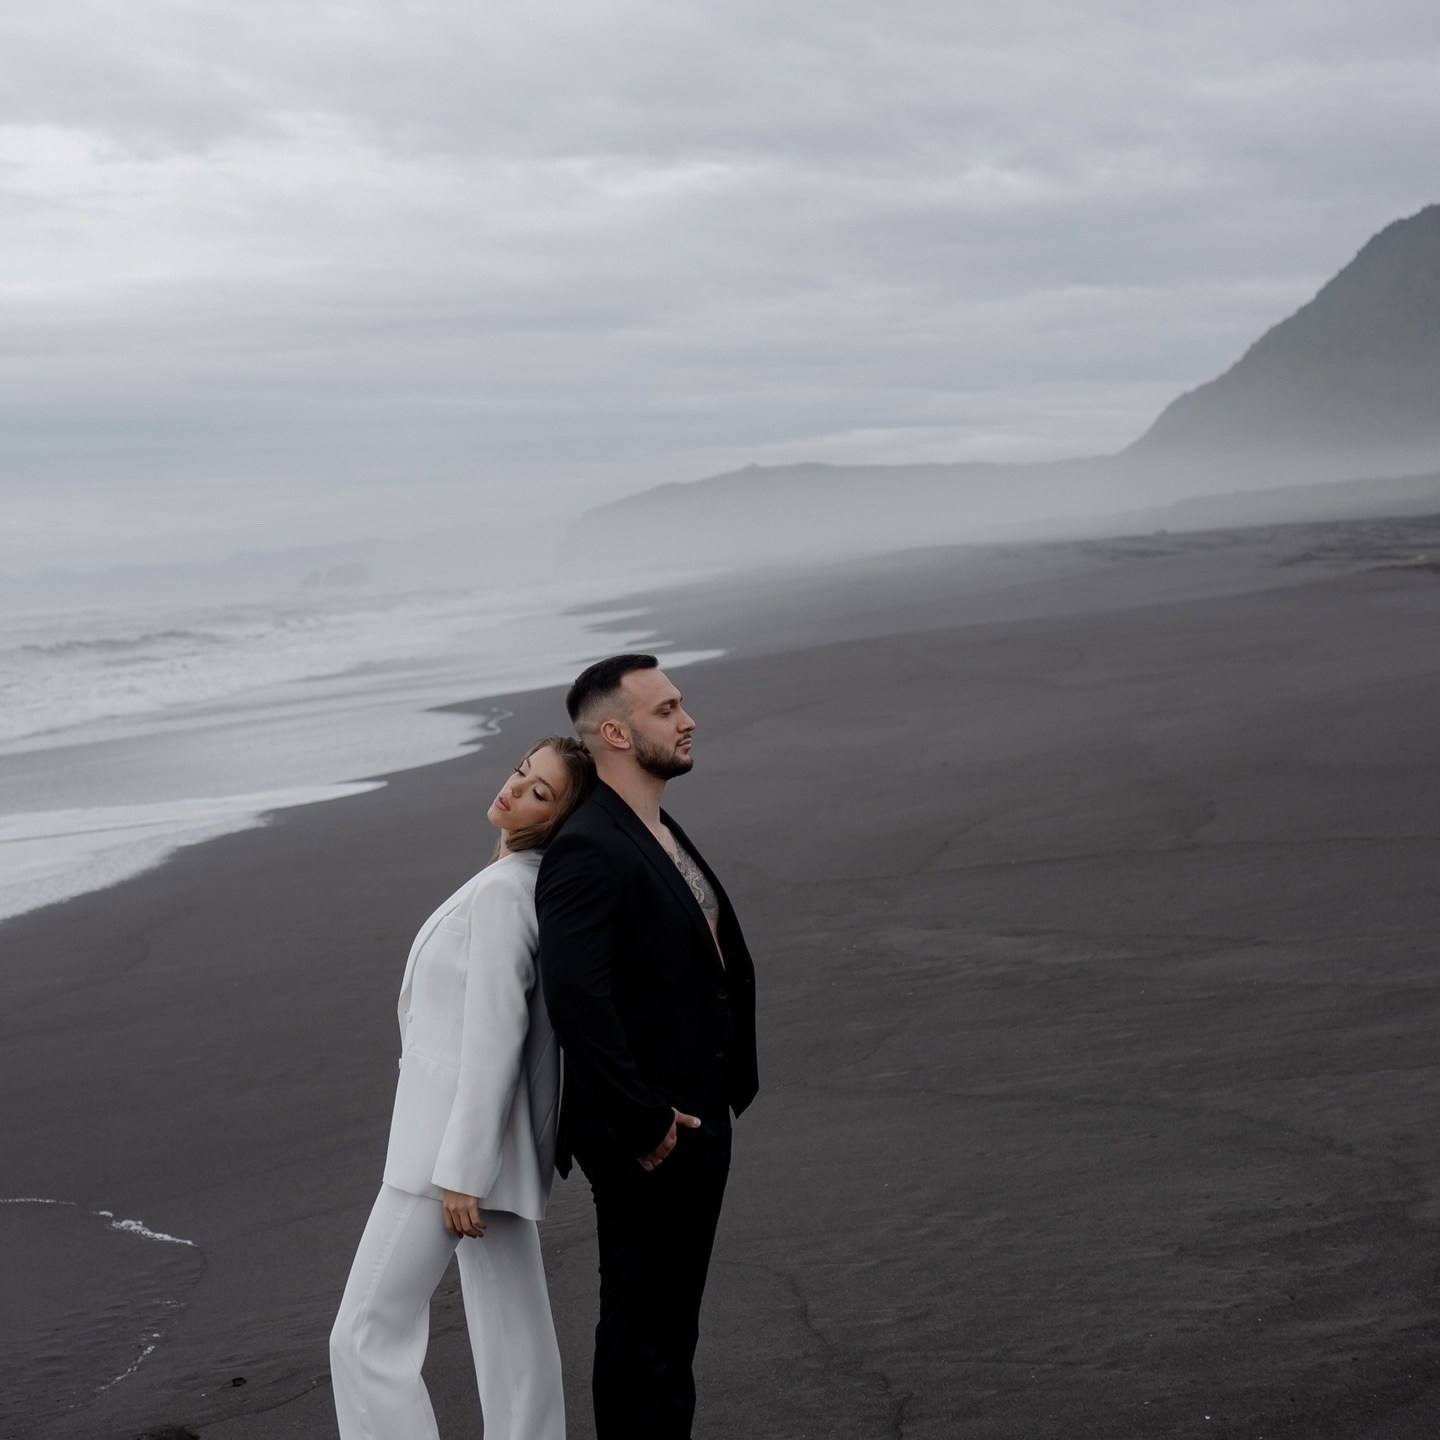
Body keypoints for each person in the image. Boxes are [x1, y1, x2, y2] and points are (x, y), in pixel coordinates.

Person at [330, 735, 594, 1440]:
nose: (514, 789)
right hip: (480, 1144)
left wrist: (461, 1174)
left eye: (540, 791)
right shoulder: (514, 880)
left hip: (447, 1148)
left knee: (364, 1337)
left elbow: (495, 1035)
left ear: (562, 816)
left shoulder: (509, 893)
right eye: (520, 772)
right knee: (513, 1330)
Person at [536, 654, 759, 1440]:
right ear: (615, 733)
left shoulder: (652, 827)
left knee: (669, 1332)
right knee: (644, 1337)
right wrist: (644, 1122)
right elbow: (575, 995)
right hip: (652, 1136)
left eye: (679, 703)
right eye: (666, 709)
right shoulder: (589, 848)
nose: (686, 718)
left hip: (694, 1114)